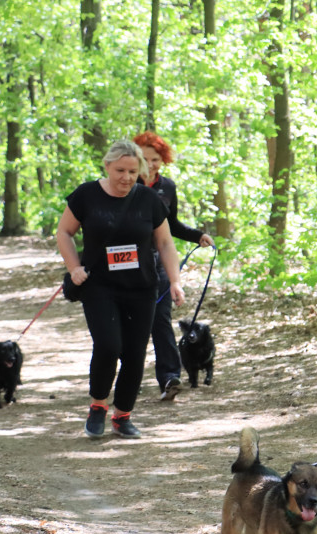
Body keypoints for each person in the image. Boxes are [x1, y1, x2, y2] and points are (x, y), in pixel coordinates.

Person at [56, 139, 185, 439]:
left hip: (140, 288)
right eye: (120, 171)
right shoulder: (86, 195)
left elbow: (165, 243)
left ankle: (123, 415)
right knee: (109, 345)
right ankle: (98, 405)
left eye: (132, 170)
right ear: (107, 167)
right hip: (99, 286)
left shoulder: (148, 200)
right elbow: (64, 232)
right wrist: (74, 267)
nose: (127, 177)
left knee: (134, 353)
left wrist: (175, 281)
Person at [133, 131, 213, 401]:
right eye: (144, 158)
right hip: (128, 266)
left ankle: (169, 377)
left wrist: (197, 235)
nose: (150, 164)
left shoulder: (167, 187)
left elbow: (173, 225)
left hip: (161, 265)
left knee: (161, 322)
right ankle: (124, 378)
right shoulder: (125, 182)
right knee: (130, 326)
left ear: (162, 159)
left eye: (155, 159)